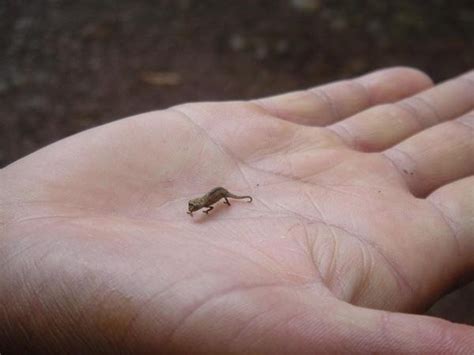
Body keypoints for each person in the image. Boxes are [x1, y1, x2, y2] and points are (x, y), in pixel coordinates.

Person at [0, 67, 473, 353]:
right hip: (215, 194)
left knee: (227, 200)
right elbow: (199, 205)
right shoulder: (198, 205)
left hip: (222, 193)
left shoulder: (213, 200)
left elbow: (214, 200)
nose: (195, 210)